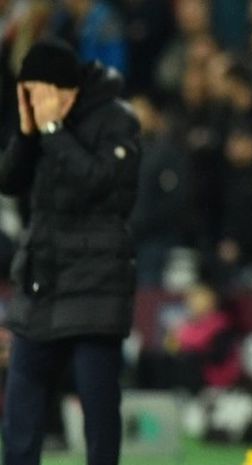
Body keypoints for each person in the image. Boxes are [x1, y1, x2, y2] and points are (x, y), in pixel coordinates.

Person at [0, 37, 140, 465]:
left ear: (68, 90)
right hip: (43, 280)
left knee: (97, 406)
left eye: (40, 92)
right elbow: (8, 182)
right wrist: (27, 135)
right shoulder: (40, 125)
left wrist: (54, 132)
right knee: (21, 401)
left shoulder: (118, 121)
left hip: (96, 284)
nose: (35, 101)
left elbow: (100, 184)